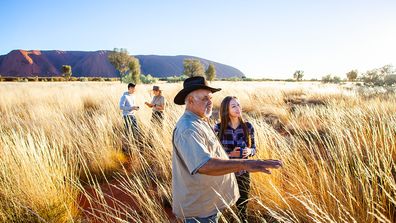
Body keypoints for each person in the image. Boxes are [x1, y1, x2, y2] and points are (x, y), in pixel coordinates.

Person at [172, 76, 282, 223]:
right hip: (200, 211)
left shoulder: (201, 121)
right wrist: (244, 164)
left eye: (211, 98)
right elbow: (204, 165)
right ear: (190, 101)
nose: (210, 102)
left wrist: (247, 155)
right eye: (205, 98)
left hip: (209, 204)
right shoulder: (189, 128)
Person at [214, 96, 256, 222]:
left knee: (242, 205)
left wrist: (249, 151)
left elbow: (254, 148)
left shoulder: (248, 127)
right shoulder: (218, 128)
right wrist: (230, 155)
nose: (238, 108)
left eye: (238, 105)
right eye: (234, 106)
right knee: (221, 205)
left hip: (243, 172)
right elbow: (213, 153)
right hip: (225, 173)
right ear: (226, 110)